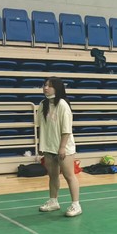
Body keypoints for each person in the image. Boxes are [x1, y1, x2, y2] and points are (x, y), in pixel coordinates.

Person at [37, 77, 82, 217]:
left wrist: (62, 147)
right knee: (53, 176)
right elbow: (41, 126)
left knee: (69, 176)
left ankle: (76, 205)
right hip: (49, 147)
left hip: (64, 148)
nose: (45, 88)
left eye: (49, 86)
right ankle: (53, 201)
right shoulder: (43, 105)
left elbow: (66, 129)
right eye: (44, 85)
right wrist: (41, 144)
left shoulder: (63, 105)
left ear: (57, 88)